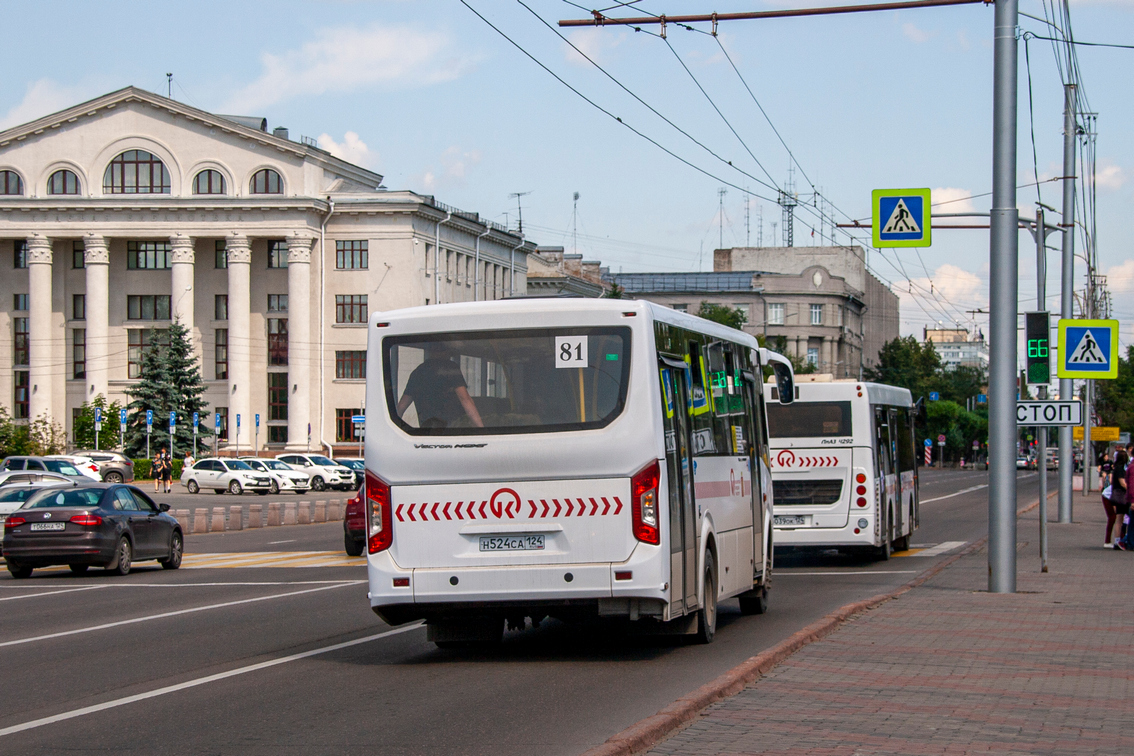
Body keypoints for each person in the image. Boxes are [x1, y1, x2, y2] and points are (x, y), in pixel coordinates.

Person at [396, 344, 484, 429]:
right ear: (446, 351)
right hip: (452, 430)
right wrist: (481, 429)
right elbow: (465, 399)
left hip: (427, 431)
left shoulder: (417, 372)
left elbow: (401, 407)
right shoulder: (450, 368)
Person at [1106, 449, 1128, 549]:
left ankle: (1117, 541)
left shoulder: (1116, 468)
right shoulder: (1120, 469)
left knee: (1120, 519)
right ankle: (1120, 540)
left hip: (1117, 496)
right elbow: (1122, 483)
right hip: (1121, 497)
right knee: (1121, 519)